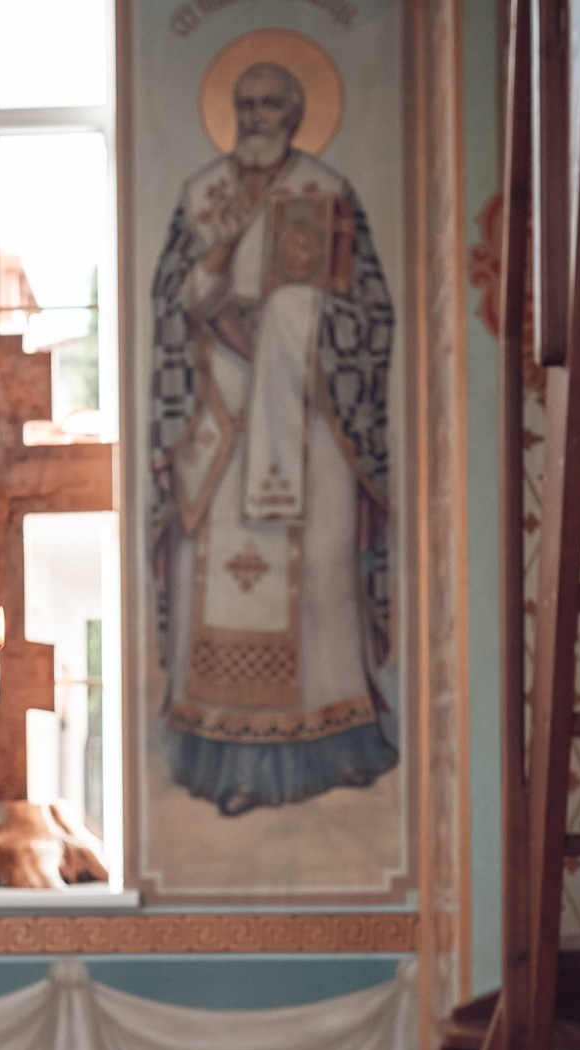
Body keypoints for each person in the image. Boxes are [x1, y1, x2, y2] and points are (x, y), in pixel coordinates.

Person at [148, 58, 397, 815]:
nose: (256, 117)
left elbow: (370, 316)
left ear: (294, 114)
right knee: (212, 575)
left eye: (269, 105)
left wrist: (294, 319)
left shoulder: (328, 191)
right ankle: (226, 762)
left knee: (319, 574)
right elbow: (171, 304)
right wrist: (216, 268)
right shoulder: (203, 197)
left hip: (311, 420)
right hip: (219, 418)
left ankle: (335, 746)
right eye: (245, 104)